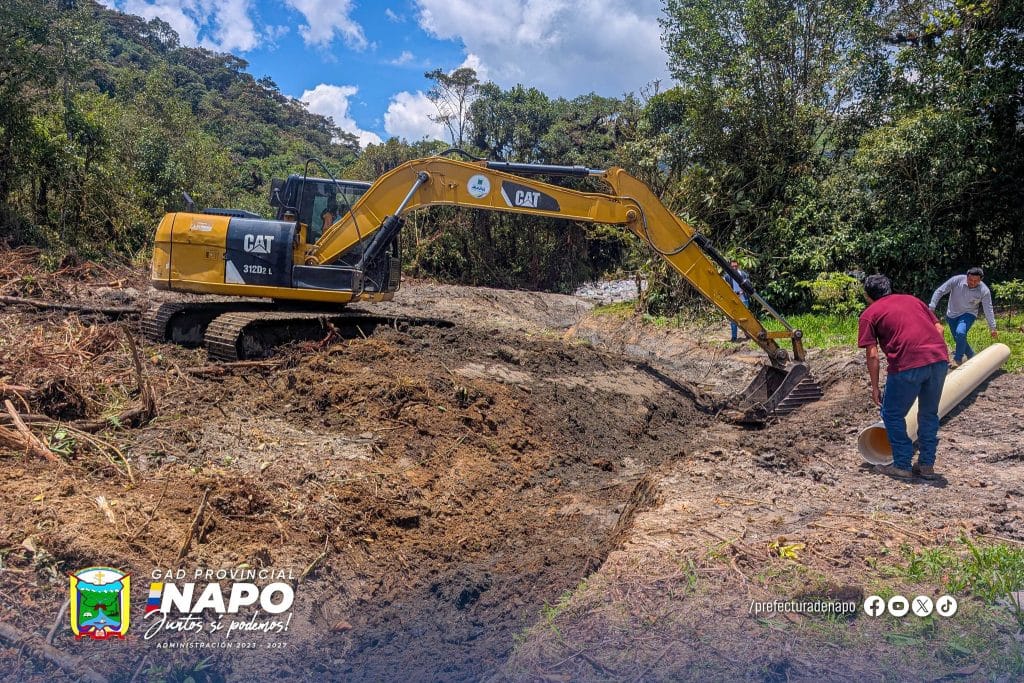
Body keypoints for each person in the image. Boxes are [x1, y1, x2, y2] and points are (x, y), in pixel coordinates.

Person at [858, 274, 949, 480]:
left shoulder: (869, 314)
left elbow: (872, 355)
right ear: (889, 288)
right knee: (928, 414)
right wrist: (934, 353)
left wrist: (874, 387)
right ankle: (926, 465)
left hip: (907, 365)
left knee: (891, 414)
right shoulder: (913, 300)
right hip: (938, 360)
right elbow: (939, 329)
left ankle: (902, 464)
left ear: (868, 295)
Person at [928, 267, 998, 367]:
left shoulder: (984, 290)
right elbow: (940, 291)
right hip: (952, 314)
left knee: (960, 333)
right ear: (966, 276)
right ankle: (972, 356)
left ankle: (957, 359)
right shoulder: (956, 280)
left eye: (976, 281)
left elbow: (988, 308)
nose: (972, 283)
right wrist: (932, 306)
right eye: (970, 280)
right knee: (959, 338)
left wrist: (992, 327)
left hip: (969, 314)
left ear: (980, 280)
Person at [723, 259, 750, 342]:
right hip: (733, 300)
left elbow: (749, 286)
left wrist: (741, 292)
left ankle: (748, 335)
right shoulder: (727, 276)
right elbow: (724, 285)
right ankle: (734, 337)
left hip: (743, 299)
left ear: (738, 266)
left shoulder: (744, 274)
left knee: (746, 318)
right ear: (730, 267)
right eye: (732, 266)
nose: (734, 268)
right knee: (733, 319)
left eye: (736, 266)